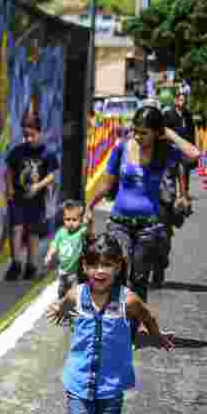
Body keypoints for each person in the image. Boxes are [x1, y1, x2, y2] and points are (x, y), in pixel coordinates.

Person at [45, 233, 174, 414]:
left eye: (107, 264)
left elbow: (147, 316)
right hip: (79, 378)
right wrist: (58, 309)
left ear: (119, 266)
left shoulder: (128, 301)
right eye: (93, 264)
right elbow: (64, 304)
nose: (99, 271)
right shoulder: (77, 294)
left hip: (111, 382)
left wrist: (157, 336)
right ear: (84, 266)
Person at [85, 105, 200, 299]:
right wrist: (89, 206)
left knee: (139, 280)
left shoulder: (165, 151)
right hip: (119, 222)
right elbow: (106, 183)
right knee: (117, 273)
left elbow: (195, 154)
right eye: (135, 131)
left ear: (156, 133)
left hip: (149, 227)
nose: (137, 137)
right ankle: (115, 322)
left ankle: (134, 325)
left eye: (144, 133)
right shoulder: (121, 147)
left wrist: (169, 133)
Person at [5, 111, 58, 280]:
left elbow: (52, 175)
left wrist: (38, 186)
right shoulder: (17, 151)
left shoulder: (47, 153)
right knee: (16, 228)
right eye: (25, 135)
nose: (28, 139)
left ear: (39, 132)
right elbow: (8, 170)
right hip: (18, 197)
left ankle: (31, 265)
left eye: (32, 135)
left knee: (33, 232)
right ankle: (16, 264)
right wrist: (9, 189)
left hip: (36, 199)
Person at [45, 199, 88, 300]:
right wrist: (49, 255)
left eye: (74, 220)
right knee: (62, 292)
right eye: (68, 219)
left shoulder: (81, 231)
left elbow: (89, 231)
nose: (71, 223)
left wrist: (89, 222)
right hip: (63, 271)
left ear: (80, 219)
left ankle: (75, 309)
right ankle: (62, 305)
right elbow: (54, 244)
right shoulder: (61, 232)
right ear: (63, 219)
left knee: (74, 295)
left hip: (76, 272)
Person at [163, 88, 195, 216]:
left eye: (184, 100)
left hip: (185, 150)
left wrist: (192, 149)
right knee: (171, 177)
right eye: (181, 99)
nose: (183, 102)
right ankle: (170, 202)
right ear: (175, 100)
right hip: (171, 151)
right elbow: (164, 132)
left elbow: (192, 133)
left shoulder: (188, 114)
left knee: (184, 175)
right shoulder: (168, 114)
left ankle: (184, 202)